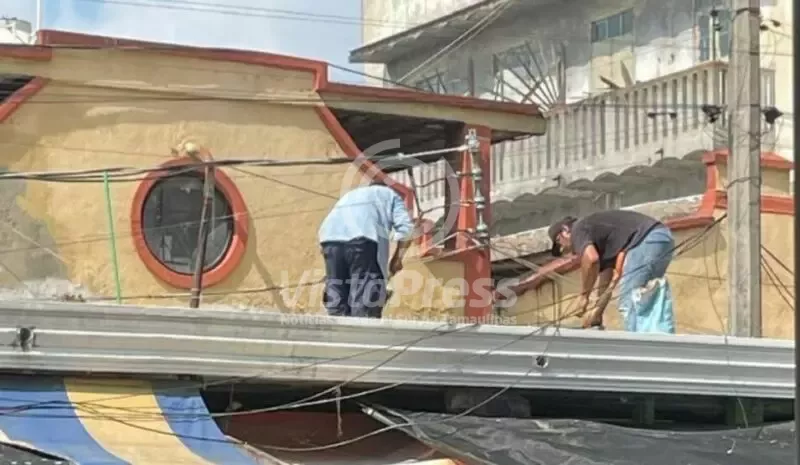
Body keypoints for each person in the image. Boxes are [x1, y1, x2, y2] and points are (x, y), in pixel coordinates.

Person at [548, 210, 676, 333]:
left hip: (647, 240)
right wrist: (597, 312)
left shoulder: (578, 229)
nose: (562, 249)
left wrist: (583, 296)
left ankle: (639, 343)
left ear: (565, 230)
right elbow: (606, 280)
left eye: (559, 241)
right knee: (645, 298)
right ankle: (656, 337)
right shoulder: (599, 238)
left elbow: (591, 260)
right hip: (660, 239)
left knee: (630, 300)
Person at [318, 179, 415, 318]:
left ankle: (337, 327)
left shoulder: (351, 195)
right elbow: (407, 231)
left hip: (329, 239)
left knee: (337, 294)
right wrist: (397, 259)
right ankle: (362, 327)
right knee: (365, 297)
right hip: (361, 240)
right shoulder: (390, 194)